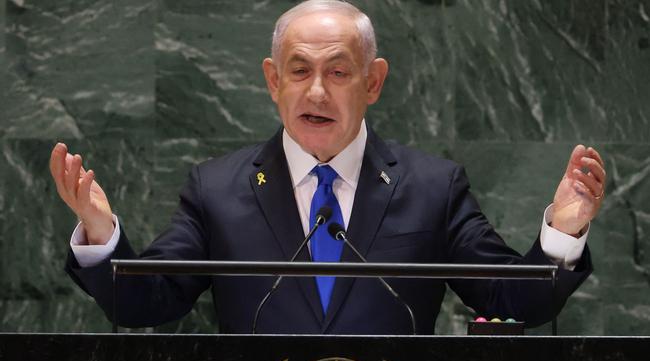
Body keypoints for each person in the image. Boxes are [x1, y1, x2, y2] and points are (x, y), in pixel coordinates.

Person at [50, 0, 605, 335]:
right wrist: (101, 234)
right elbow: (148, 302)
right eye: (299, 71)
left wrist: (563, 232)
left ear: (373, 82)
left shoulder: (433, 188)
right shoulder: (216, 189)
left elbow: (513, 300)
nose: (316, 91)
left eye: (339, 72)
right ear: (273, 81)